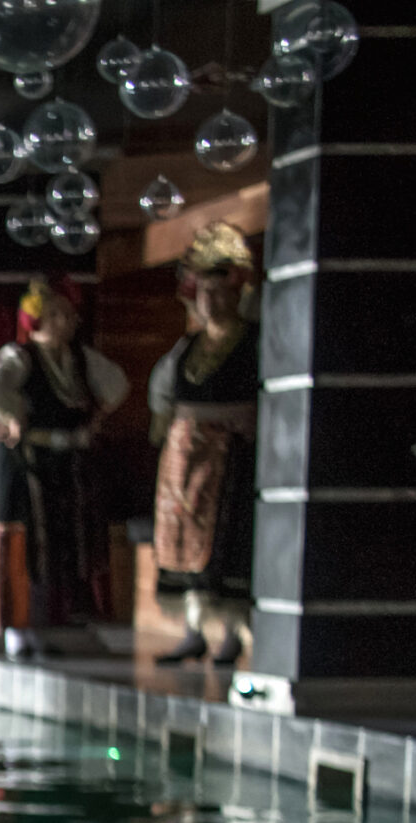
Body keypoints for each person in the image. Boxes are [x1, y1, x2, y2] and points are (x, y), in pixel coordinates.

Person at [0, 275, 129, 658]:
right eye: (56, 314)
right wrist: (12, 415)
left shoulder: (79, 358)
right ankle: (16, 628)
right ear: (36, 318)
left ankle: (46, 625)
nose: (65, 321)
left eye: (69, 314)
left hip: (64, 465)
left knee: (57, 544)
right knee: (21, 541)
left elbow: (117, 384)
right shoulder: (21, 356)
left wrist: (96, 416)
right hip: (24, 463)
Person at [150, 222, 262, 667]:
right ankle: (192, 631)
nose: (210, 302)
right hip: (186, 460)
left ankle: (233, 632)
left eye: (219, 292)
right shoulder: (187, 347)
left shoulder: (254, 342)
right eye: (203, 293)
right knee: (183, 540)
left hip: (233, 458)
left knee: (228, 542)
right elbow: (163, 396)